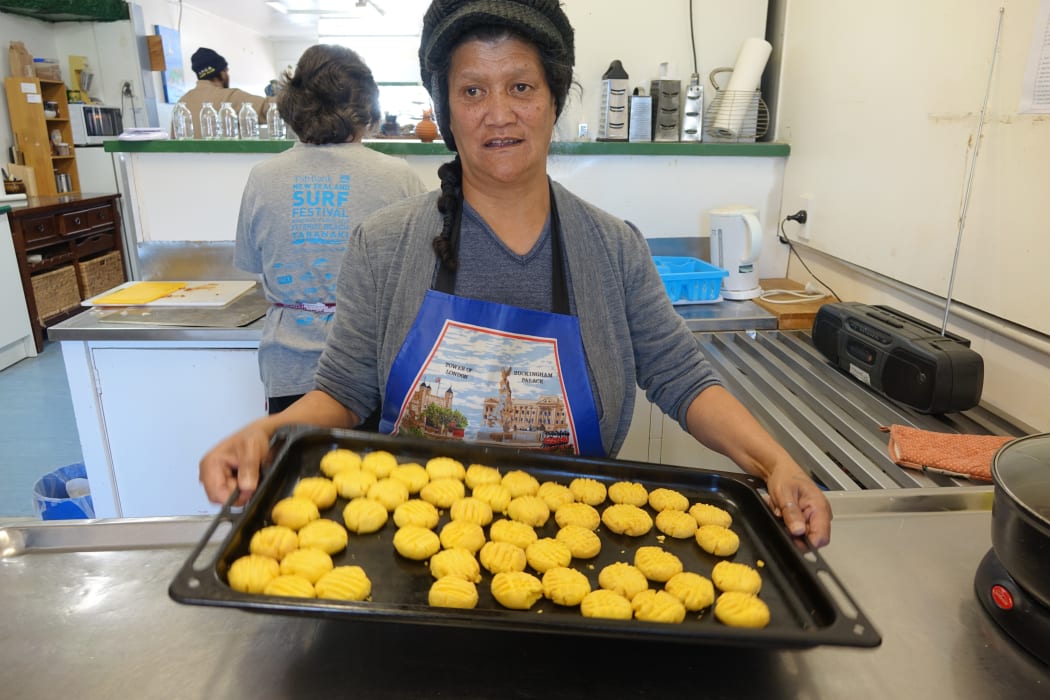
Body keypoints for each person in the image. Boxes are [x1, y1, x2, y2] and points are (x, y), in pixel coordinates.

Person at [200, 0, 833, 547]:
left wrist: (777, 462)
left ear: (555, 98)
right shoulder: (386, 244)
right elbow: (342, 391)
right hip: (411, 545)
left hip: (577, 547)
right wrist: (267, 432)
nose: (497, 113)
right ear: (445, 110)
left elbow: (682, 376)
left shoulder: (612, 248)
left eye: (521, 87)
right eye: (472, 90)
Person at [234, 44, 427, 415]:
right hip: (373, 368)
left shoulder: (262, 179)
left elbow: (254, 264)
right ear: (366, 108)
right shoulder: (398, 177)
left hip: (289, 367)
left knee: (296, 470)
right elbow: (421, 273)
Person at [178, 47, 272, 136]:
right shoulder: (230, 97)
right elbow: (270, 107)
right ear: (222, 73)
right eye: (226, 71)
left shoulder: (181, 103)